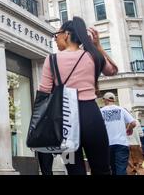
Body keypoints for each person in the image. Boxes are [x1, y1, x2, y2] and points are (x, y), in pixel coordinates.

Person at [38, 16, 118, 175]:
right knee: (102, 169)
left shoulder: (51, 59)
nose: (55, 39)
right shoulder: (92, 56)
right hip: (92, 116)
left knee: (74, 170)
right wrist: (97, 46)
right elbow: (112, 70)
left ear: (66, 35)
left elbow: (44, 93)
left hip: (65, 122)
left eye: (57, 35)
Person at [100, 92, 138, 175]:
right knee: (121, 168)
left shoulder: (101, 111)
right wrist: (129, 129)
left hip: (107, 144)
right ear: (114, 100)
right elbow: (133, 123)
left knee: (112, 169)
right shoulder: (121, 109)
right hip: (121, 143)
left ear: (105, 100)